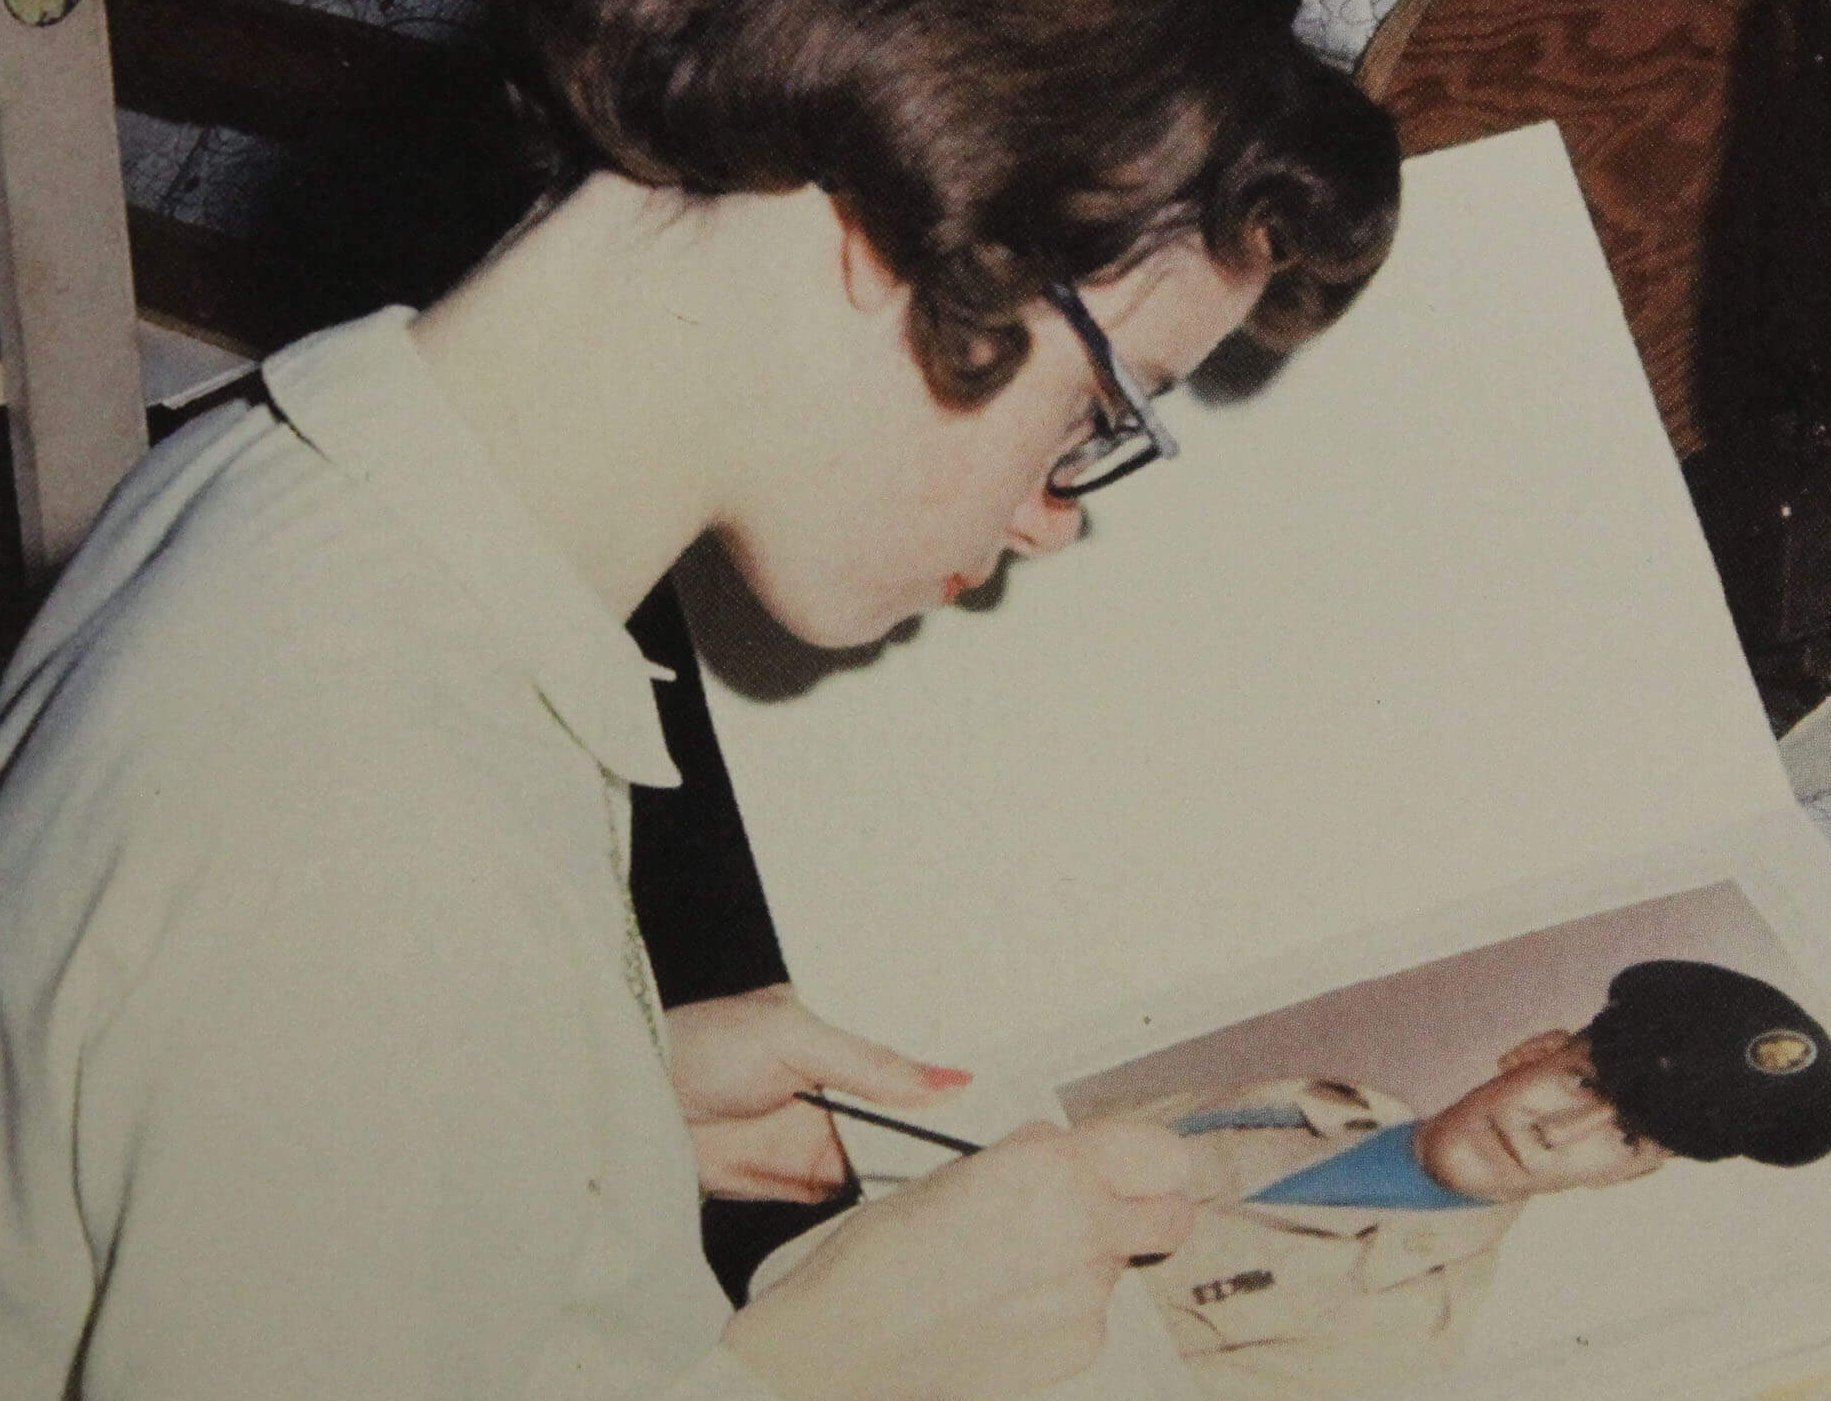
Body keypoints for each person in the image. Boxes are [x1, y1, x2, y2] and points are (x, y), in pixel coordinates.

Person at [0, 3, 1401, 1400]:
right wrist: (820, 1367)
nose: (1053, 520)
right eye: (1101, 412)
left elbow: (256, 1091)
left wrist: (584, 1110)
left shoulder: (298, 470)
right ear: (900, 213)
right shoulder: (376, 847)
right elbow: (340, 931)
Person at [1127, 959, 1831, 1401]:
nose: (1558, 1130)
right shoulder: (1294, 1099)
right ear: (1529, 1050)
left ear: (1629, 1175)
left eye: (1626, 1135)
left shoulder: (1399, 1336)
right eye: (1580, 1082)